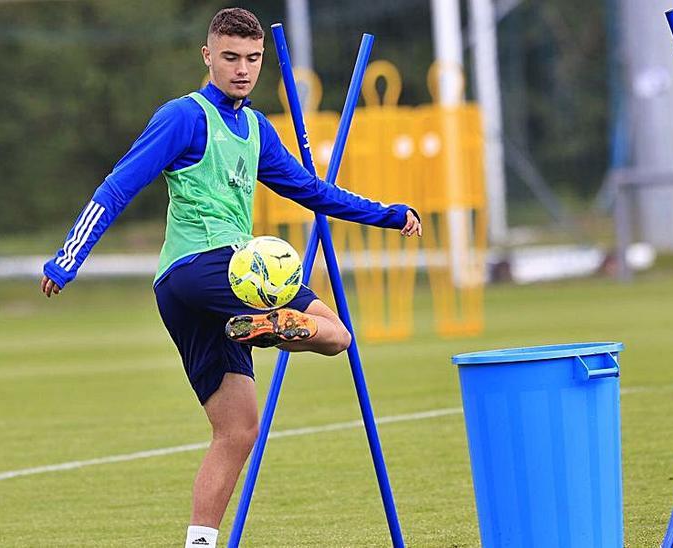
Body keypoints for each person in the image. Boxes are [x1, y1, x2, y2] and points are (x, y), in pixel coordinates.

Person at [38, 8, 421, 548]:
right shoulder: (183, 117)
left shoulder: (258, 129)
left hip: (186, 292)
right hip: (209, 269)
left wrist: (385, 213)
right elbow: (119, 185)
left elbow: (312, 192)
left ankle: (198, 543)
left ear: (261, 59)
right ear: (208, 56)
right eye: (230, 57)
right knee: (335, 335)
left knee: (239, 428)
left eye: (253, 59)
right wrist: (68, 257)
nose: (242, 69)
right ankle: (266, 325)